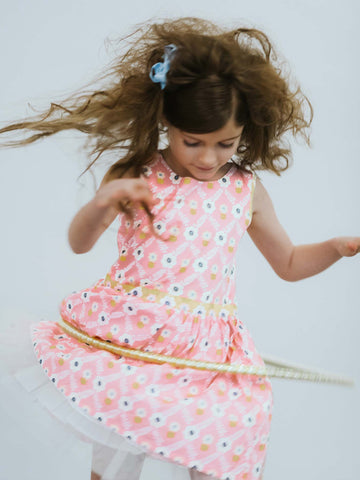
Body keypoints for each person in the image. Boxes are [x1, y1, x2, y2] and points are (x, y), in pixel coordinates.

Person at [0, 17, 359, 480]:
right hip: (131, 338)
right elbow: (79, 242)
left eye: (225, 143)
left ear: (245, 132)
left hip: (208, 353)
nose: (208, 158)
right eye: (193, 142)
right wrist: (102, 201)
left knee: (224, 450)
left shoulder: (245, 190)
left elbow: (287, 263)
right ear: (167, 121)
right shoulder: (136, 174)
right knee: (115, 461)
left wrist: (333, 247)